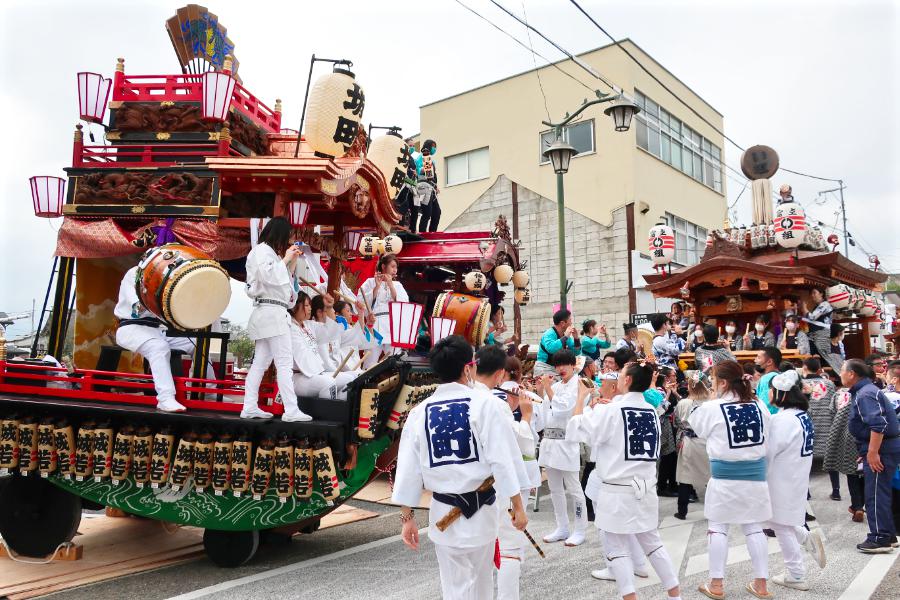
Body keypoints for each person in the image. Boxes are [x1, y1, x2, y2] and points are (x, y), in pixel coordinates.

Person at [392, 335, 528, 600]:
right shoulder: (487, 405)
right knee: (481, 586)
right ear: (468, 368)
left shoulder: (420, 412)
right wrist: (518, 506)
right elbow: (502, 460)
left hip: (444, 516)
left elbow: (408, 470)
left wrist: (407, 518)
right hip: (481, 516)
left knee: (454, 589)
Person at [567, 363, 684, 600]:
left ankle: (630, 597)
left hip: (617, 490)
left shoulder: (611, 411)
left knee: (616, 549)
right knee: (653, 544)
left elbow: (578, 429)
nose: (618, 379)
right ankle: (675, 595)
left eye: (620, 375)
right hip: (645, 487)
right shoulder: (651, 411)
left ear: (628, 380)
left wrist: (580, 399)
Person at [689, 360, 772, 600]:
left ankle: (716, 584)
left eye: (715, 380)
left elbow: (696, 426)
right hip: (755, 476)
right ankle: (761, 584)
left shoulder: (712, 408)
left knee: (717, 528)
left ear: (723, 382)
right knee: (754, 527)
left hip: (724, 477)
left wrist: (711, 397)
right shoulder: (758, 405)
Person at [470, 345, 533, 600]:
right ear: (500, 374)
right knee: (509, 548)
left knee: (475, 557)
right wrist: (525, 416)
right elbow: (514, 446)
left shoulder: (464, 396)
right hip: (496, 485)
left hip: (466, 489)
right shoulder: (494, 403)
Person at [765, 370, 828, 590]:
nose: (769, 393)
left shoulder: (781, 420)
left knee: (780, 525)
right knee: (775, 521)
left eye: (771, 390)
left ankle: (796, 574)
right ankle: (805, 536)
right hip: (796, 474)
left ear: (781, 394)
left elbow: (769, 453)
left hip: (781, 476)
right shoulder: (800, 415)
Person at [242, 217, 310, 422]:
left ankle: (249, 406)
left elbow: (288, 295)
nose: (287, 241)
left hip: (272, 312)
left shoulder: (269, 253)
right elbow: (268, 277)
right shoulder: (261, 251)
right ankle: (291, 410)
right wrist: (286, 259)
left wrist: (291, 264)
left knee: (261, 363)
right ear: (278, 233)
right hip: (271, 313)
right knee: (283, 363)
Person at [114, 266, 200, 413]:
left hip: (158, 330)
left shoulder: (169, 273)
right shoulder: (136, 273)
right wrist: (152, 293)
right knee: (158, 347)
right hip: (131, 328)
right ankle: (165, 398)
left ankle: (210, 392)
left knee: (198, 343)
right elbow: (136, 311)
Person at [844, 358, 900, 553]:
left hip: (882, 448)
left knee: (875, 494)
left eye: (843, 371)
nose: (841, 375)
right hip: (880, 447)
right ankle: (888, 534)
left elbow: (879, 424)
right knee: (880, 492)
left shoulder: (866, 393)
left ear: (852, 374)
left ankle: (880, 537)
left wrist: (872, 451)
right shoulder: (866, 391)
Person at [534, 349, 588, 546]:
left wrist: (548, 390)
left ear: (573, 365)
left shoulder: (580, 385)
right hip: (549, 442)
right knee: (556, 488)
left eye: (564, 364)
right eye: (557, 365)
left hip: (567, 442)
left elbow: (565, 409)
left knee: (574, 488)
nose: (560, 368)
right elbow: (544, 416)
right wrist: (540, 392)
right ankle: (562, 527)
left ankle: (580, 529)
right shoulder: (555, 386)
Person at [288, 292, 360, 401]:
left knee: (350, 379)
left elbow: (330, 331)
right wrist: (321, 371)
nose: (309, 308)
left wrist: (329, 307)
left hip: (314, 373)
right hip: (297, 377)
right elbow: (302, 357)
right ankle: (327, 414)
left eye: (309, 305)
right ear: (294, 307)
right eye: (306, 305)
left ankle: (340, 409)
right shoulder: (290, 326)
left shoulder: (309, 325)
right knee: (329, 382)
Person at [823, 381, 867, 523]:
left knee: (851, 472)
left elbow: (832, 413)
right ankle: (859, 504)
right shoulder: (868, 392)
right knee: (866, 471)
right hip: (865, 435)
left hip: (845, 435)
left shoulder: (839, 394)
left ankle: (857, 506)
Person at [357, 253, 409, 367]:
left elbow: (404, 303)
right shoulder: (370, 281)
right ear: (383, 267)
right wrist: (376, 287)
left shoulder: (398, 285)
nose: (395, 270)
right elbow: (361, 302)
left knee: (395, 361)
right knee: (370, 362)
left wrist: (390, 285)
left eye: (396, 267)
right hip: (374, 324)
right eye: (392, 266)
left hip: (392, 325)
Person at [673, 371, 712, 520]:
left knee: (685, 476)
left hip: (689, 441)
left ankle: (681, 511)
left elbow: (676, 421)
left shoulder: (683, 403)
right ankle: (712, 510)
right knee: (710, 476)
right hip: (707, 441)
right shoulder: (711, 403)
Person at [802, 358, 838, 489]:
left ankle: (807, 492)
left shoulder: (800, 384)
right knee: (830, 458)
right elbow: (834, 405)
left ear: (804, 367)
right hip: (826, 423)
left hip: (807, 423)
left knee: (806, 458)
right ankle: (836, 490)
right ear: (819, 369)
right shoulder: (829, 384)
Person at [800, 288, 840, 372]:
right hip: (815, 334)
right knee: (816, 355)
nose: (812, 295)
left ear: (821, 294)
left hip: (822, 333)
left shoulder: (825, 304)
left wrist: (804, 307)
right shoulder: (817, 307)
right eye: (812, 293)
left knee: (826, 355)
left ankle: (839, 374)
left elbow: (812, 317)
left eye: (815, 293)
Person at [533, 309, 581, 377]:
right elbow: (551, 348)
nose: (571, 323)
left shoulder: (565, 336)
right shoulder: (549, 334)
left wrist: (576, 339)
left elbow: (576, 353)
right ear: (562, 323)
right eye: (570, 320)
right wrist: (565, 337)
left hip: (557, 369)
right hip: (544, 368)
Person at [656, 366, 680, 498]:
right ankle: (663, 485)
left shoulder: (668, 390)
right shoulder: (660, 391)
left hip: (671, 424)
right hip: (665, 425)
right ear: (666, 378)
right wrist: (669, 393)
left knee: (672, 456)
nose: (675, 378)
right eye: (673, 376)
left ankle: (671, 484)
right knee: (667, 456)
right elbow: (662, 409)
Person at [415, 139, 441, 233]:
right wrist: (424, 168)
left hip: (431, 187)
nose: (434, 148)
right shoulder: (421, 156)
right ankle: (423, 233)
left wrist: (435, 186)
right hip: (423, 186)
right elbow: (419, 171)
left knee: (436, 212)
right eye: (433, 146)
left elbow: (431, 175)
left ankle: (432, 233)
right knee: (427, 213)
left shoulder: (431, 159)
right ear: (429, 146)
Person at [754, 347, 783, 415]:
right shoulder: (781, 375)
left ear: (769, 362)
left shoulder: (766, 378)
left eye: (759, 358)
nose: (755, 360)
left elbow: (765, 405)